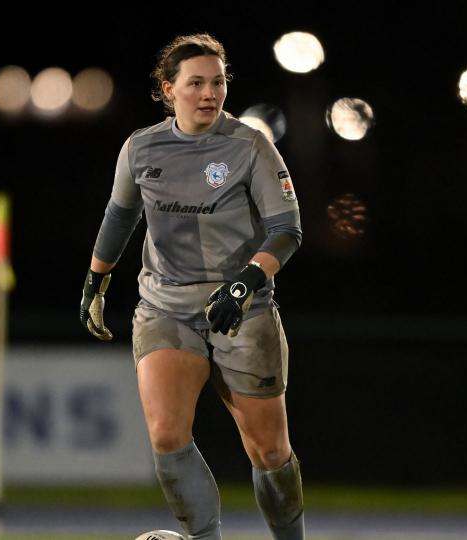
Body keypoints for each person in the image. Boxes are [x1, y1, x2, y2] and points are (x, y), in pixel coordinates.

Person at [80, 34, 304, 540]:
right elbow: (120, 216)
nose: (210, 93)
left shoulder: (250, 144)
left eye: (218, 82)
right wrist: (96, 280)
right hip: (165, 307)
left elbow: (287, 229)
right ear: (168, 89)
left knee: (269, 451)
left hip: (242, 308)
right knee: (166, 435)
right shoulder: (141, 147)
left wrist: (244, 285)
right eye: (196, 83)